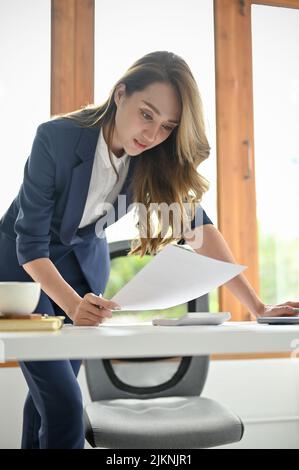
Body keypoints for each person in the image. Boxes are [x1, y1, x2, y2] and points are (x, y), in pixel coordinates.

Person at [0, 50, 298, 449]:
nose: (153, 134)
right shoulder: (55, 137)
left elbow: (199, 229)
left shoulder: (151, 158)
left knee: (49, 402)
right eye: (146, 114)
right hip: (24, 272)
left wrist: (258, 307)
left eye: (166, 126)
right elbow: (31, 243)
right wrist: (72, 305)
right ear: (120, 93)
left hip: (83, 271)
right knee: (65, 405)